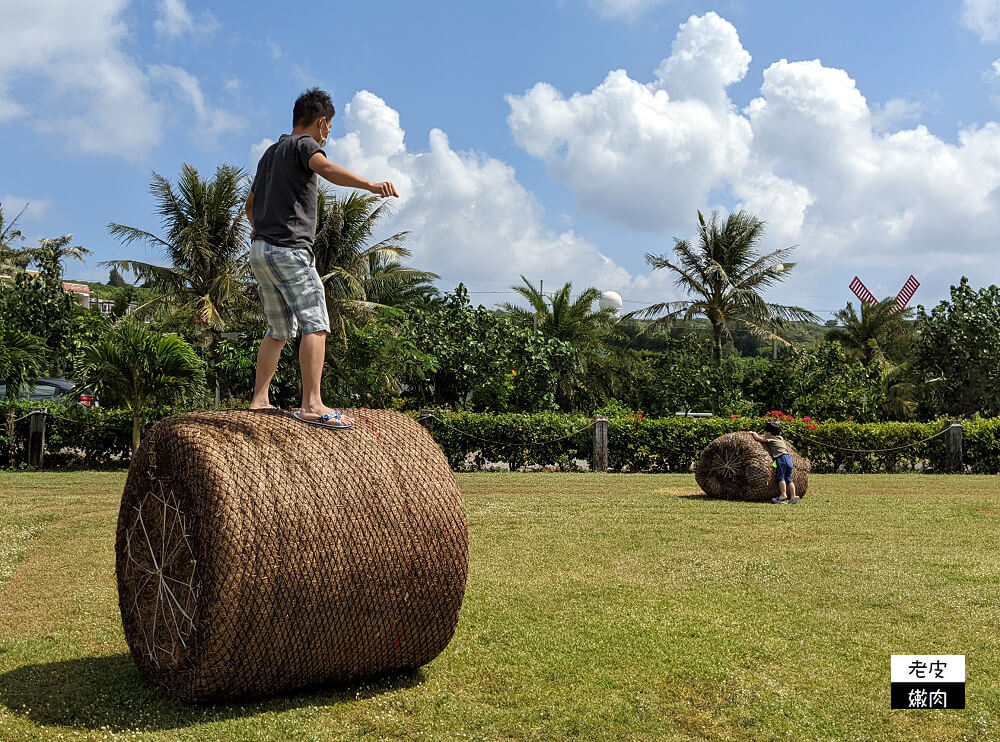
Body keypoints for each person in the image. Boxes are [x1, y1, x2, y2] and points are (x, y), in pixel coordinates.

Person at [245, 88, 399, 429]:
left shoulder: (269, 154)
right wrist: (370, 185)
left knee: (278, 329)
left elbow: (249, 207)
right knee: (316, 322)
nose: (329, 133)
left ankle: (260, 400)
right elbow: (325, 169)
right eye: (329, 127)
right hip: (289, 250)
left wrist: (266, 233)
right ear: (322, 122)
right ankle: (312, 404)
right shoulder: (304, 145)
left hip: (260, 251)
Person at [751, 420, 799, 504]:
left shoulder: (771, 439)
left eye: (765, 432)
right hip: (788, 458)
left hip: (781, 459)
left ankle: (783, 495)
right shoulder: (780, 438)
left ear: (769, 433)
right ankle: (793, 496)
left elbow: (758, 439)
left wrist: (753, 433)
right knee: (789, 479)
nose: (765, 434)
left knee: (781, 478)